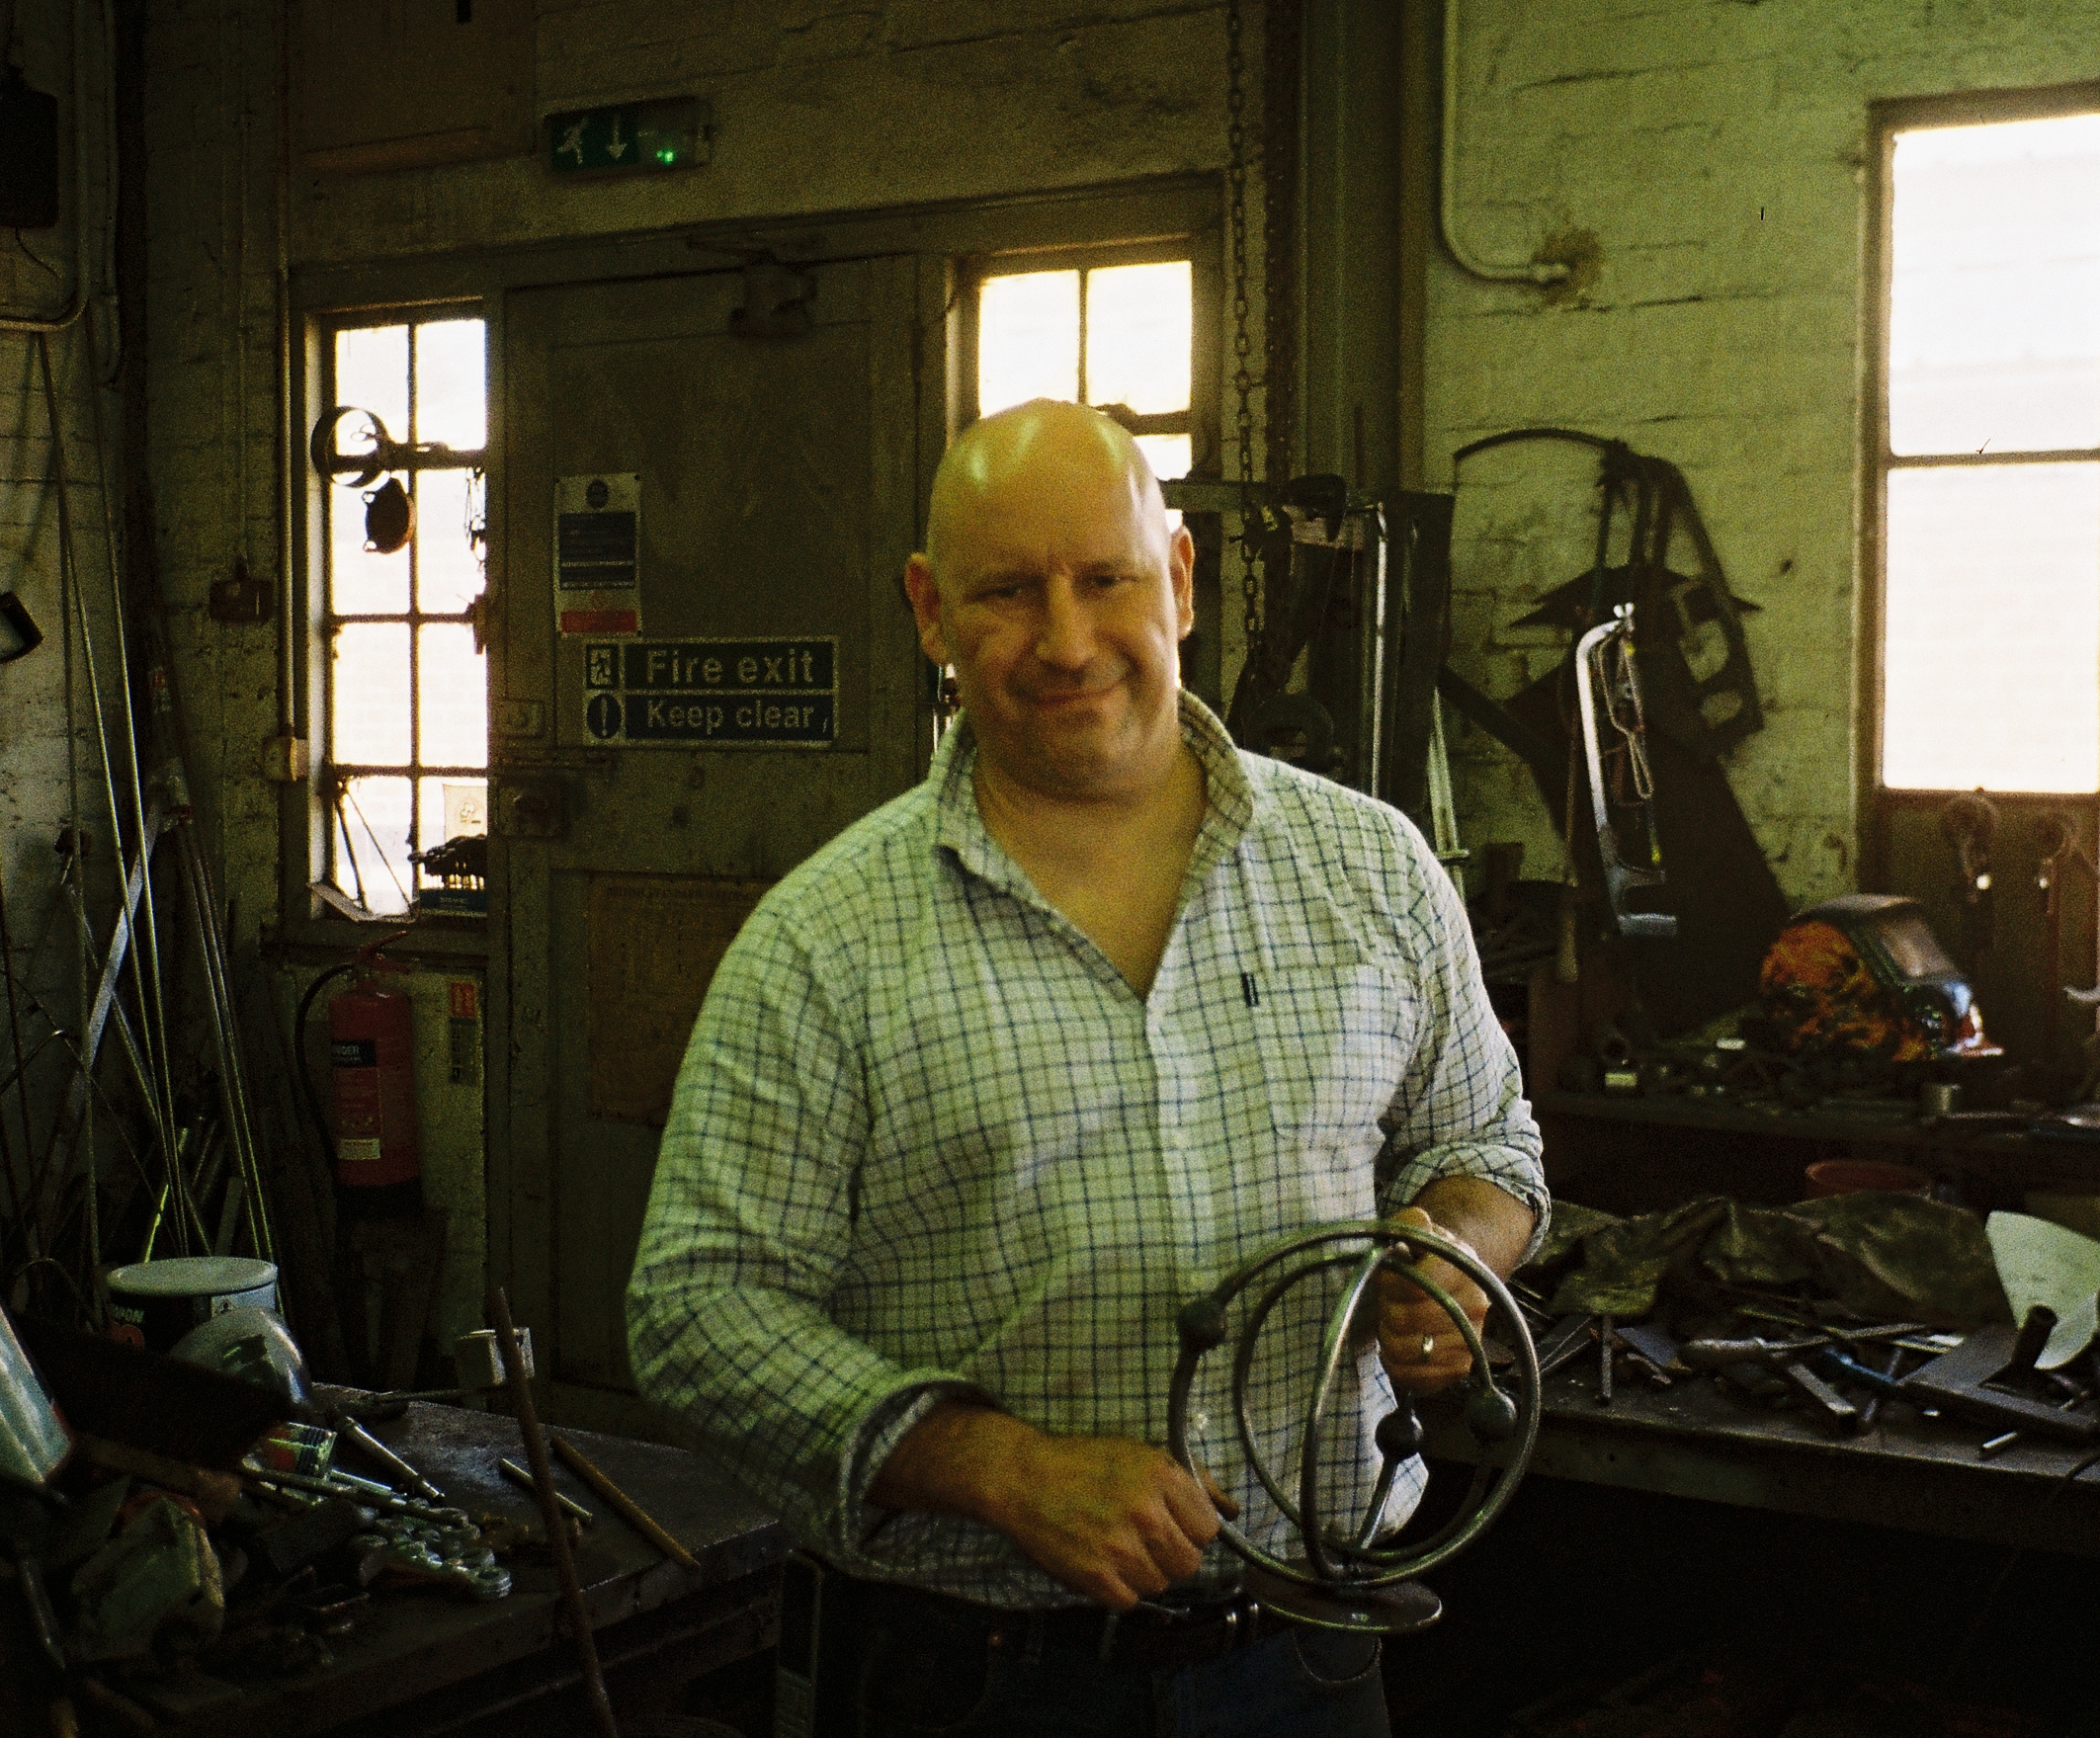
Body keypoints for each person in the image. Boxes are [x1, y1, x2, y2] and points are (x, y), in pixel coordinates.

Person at [629, 399, 1546, 1736]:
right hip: (978, 1676)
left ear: (1177, 579)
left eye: (1105, 579)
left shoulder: (1372, 872)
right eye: (1008, 591)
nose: (1067, 642)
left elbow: (1492, 1147)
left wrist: (1449, 1252)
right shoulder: (825, 944)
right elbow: (695, 1309)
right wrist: (995, 1465)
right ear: (931, 611)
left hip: (1311, 1652)